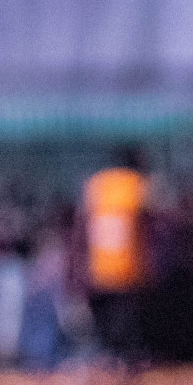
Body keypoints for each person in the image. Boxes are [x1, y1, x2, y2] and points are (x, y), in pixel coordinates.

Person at [80, 146, 153, 372]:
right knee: (128, 319)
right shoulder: (136, 184)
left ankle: (110, 358)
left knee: (107, 320)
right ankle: (127, 360)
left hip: (100, 265)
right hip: (128, 266)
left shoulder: (96, 184)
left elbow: (83, 222)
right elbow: (151, 221)